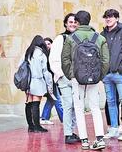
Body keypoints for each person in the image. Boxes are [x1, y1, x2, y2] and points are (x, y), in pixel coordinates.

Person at [61, 10, 109, 150]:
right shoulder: (99, 38)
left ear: (77, 22)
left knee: (79, 108)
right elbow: (106, 61)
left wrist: (71, 75)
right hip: (94, 77)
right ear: (89, 20)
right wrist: (99, 76)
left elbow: (65, 60)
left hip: (77, 78)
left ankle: (84, 141)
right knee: (95, 107)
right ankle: (99, 138)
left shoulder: (71, 38)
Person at [101, 9, 122, 141]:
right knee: (111, 102)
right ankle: (114, 128)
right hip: (107, 75)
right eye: (106, 17)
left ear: (116, 18)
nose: (108, 19)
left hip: (120, 74)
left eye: (110, 17)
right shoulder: (102, 34)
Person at [49, 13, 80, 144]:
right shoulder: (60, 39)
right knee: (68, 105)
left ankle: (72, 131)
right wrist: (60, 74)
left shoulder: (79, 38)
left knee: (75, 106)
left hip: (77, 78)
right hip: (64, 77)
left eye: (75, 22)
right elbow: (53, 58)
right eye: (70, 22)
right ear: (66, 24)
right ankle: (68, 134)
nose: (73, 24)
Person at [24, 35, 53, 133]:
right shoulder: (41, 54)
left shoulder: (28, 53)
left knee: (28, 103)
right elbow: (45, 71)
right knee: (36, 104)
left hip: (28, 81)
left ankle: (30, 126)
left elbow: (20, 65)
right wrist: (49, 84)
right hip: (38, 81)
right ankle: (37, 126)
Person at [40, 37, 63, 124]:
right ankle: (64, 119)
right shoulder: (44, 55)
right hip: (50, 81)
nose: (47, 46)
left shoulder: (52, 54)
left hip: (54, 80)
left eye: (49, 44)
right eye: (45, 44)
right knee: (57, 100)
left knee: (51, 99)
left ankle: (44, 118)